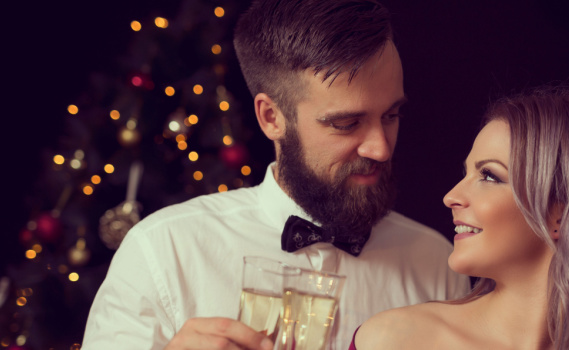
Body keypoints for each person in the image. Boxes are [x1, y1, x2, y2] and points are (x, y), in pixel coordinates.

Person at [82, 0, 469, 349]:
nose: (381, 148)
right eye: (347, 123)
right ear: (271, 117)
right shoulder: (163, 250)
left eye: (391, 116)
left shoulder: (438, 265)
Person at [354, 87, 569, 350]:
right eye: (467, 172)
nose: (451, 196)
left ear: (562, 214)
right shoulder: (398, 340)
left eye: (489, 175)